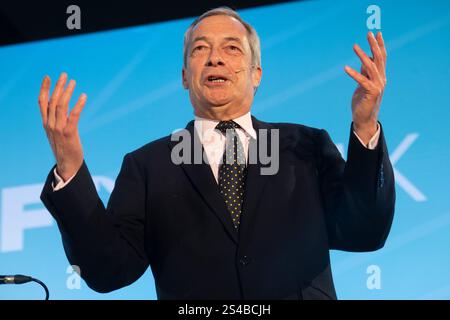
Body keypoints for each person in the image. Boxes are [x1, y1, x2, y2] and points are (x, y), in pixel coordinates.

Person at [38, 7, 395, 299]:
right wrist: (70, 167)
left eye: (231, 48)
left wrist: (364, 127)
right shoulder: (147, 165)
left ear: (256, 74)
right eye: (200, 49)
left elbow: (364, 231)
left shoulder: (305, 146)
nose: (214, 60)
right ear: (183, 76)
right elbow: (107, 270)